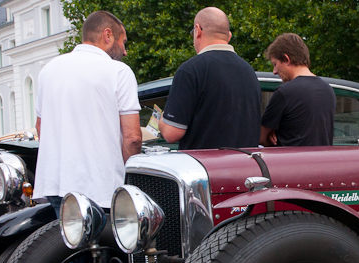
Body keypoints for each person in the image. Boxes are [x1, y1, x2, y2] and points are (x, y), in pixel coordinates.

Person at [35, 10, 142, 213]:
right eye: (123, 42)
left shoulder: (47, 71)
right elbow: (133, 138)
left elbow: (40, 128)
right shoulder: (118, 71)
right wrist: (131, 182)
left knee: (66, 234)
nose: (125, 51)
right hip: (101, 186)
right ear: (108, 35)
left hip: (55, 184)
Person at [158, 7, 260, 149]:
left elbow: (171, 133)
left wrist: (162, 119)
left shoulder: (191, 70)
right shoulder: (249, 72)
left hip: (204, 162)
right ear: (229, 36)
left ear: (198, 30)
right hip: (244, 162)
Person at [260, 33, 335, 147]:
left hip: (291, 158)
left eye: (275, 64)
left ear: (286, 59)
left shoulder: (284, 93)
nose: (274, 71)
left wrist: (272, 135)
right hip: (323, 158)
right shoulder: (328, 90)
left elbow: (261, 137)